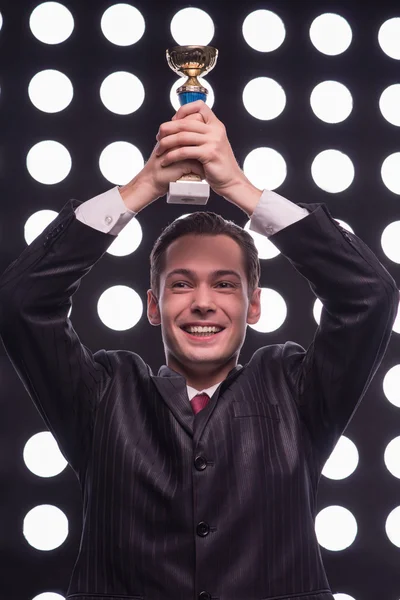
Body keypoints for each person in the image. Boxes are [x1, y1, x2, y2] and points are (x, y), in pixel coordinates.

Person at [0, 100, 398, 600]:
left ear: (254, 306)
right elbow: (21, 300)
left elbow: (370, 294)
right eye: (182, 284)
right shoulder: (102, 394)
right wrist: (143, 187)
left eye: (225, 285)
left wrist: (239, 189)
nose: (204, 303)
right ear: (154, 305)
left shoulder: (296, 390)